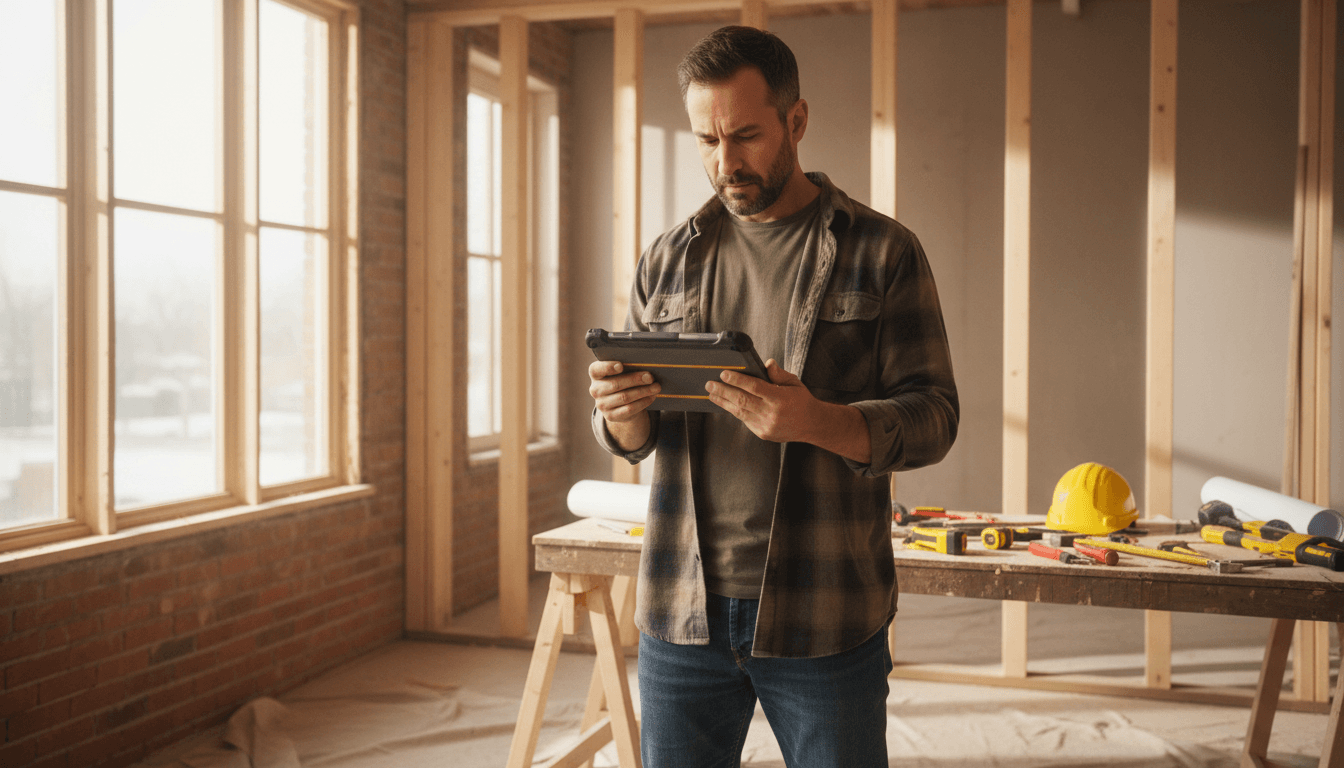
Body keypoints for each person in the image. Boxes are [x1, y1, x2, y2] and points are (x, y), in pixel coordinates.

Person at [587, 25, 959, 768]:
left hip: (824, 615)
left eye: (746, 135)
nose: (725, 162)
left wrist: (817, 421)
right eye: (706, 140)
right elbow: (632, 437)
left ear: (796, 120)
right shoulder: (667, 258)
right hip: (680, 609)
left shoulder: (882, 252)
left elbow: (935, 418)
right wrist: (621, 420)